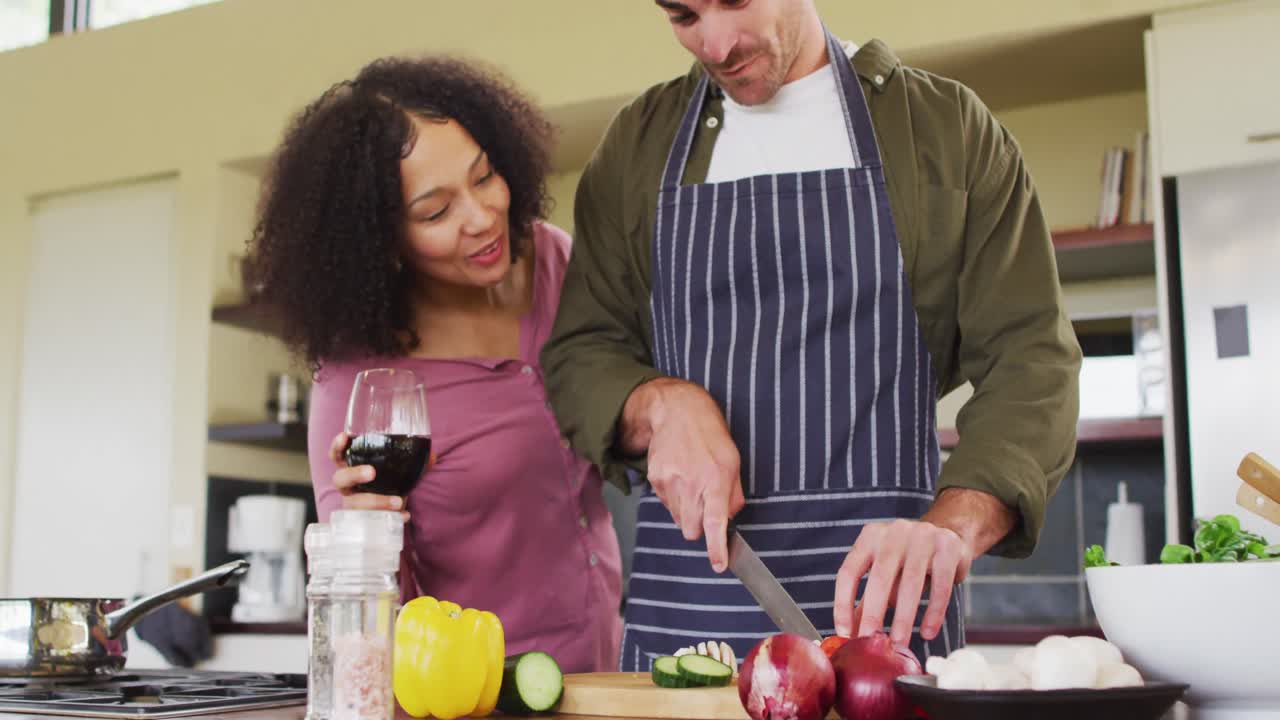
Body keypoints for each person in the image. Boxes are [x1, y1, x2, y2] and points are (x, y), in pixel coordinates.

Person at [541, 0, 1082, 670]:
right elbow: (579, 355)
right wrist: (658, 403)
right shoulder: (636, 148)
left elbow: (1032, 363)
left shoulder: (945, 133)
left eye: (736, 2)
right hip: (685, 637)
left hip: (885, 642)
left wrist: (952, 528)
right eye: (683, 15)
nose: (716, 44)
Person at [245, 55, 623, 673]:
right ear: (380, 239)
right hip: (465, 697)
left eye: (485, 176)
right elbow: (361, 619)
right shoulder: (357, 381)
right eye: (435, 212)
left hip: (603, 679)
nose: (481, 217)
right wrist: (366, 539)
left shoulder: (558, 265)